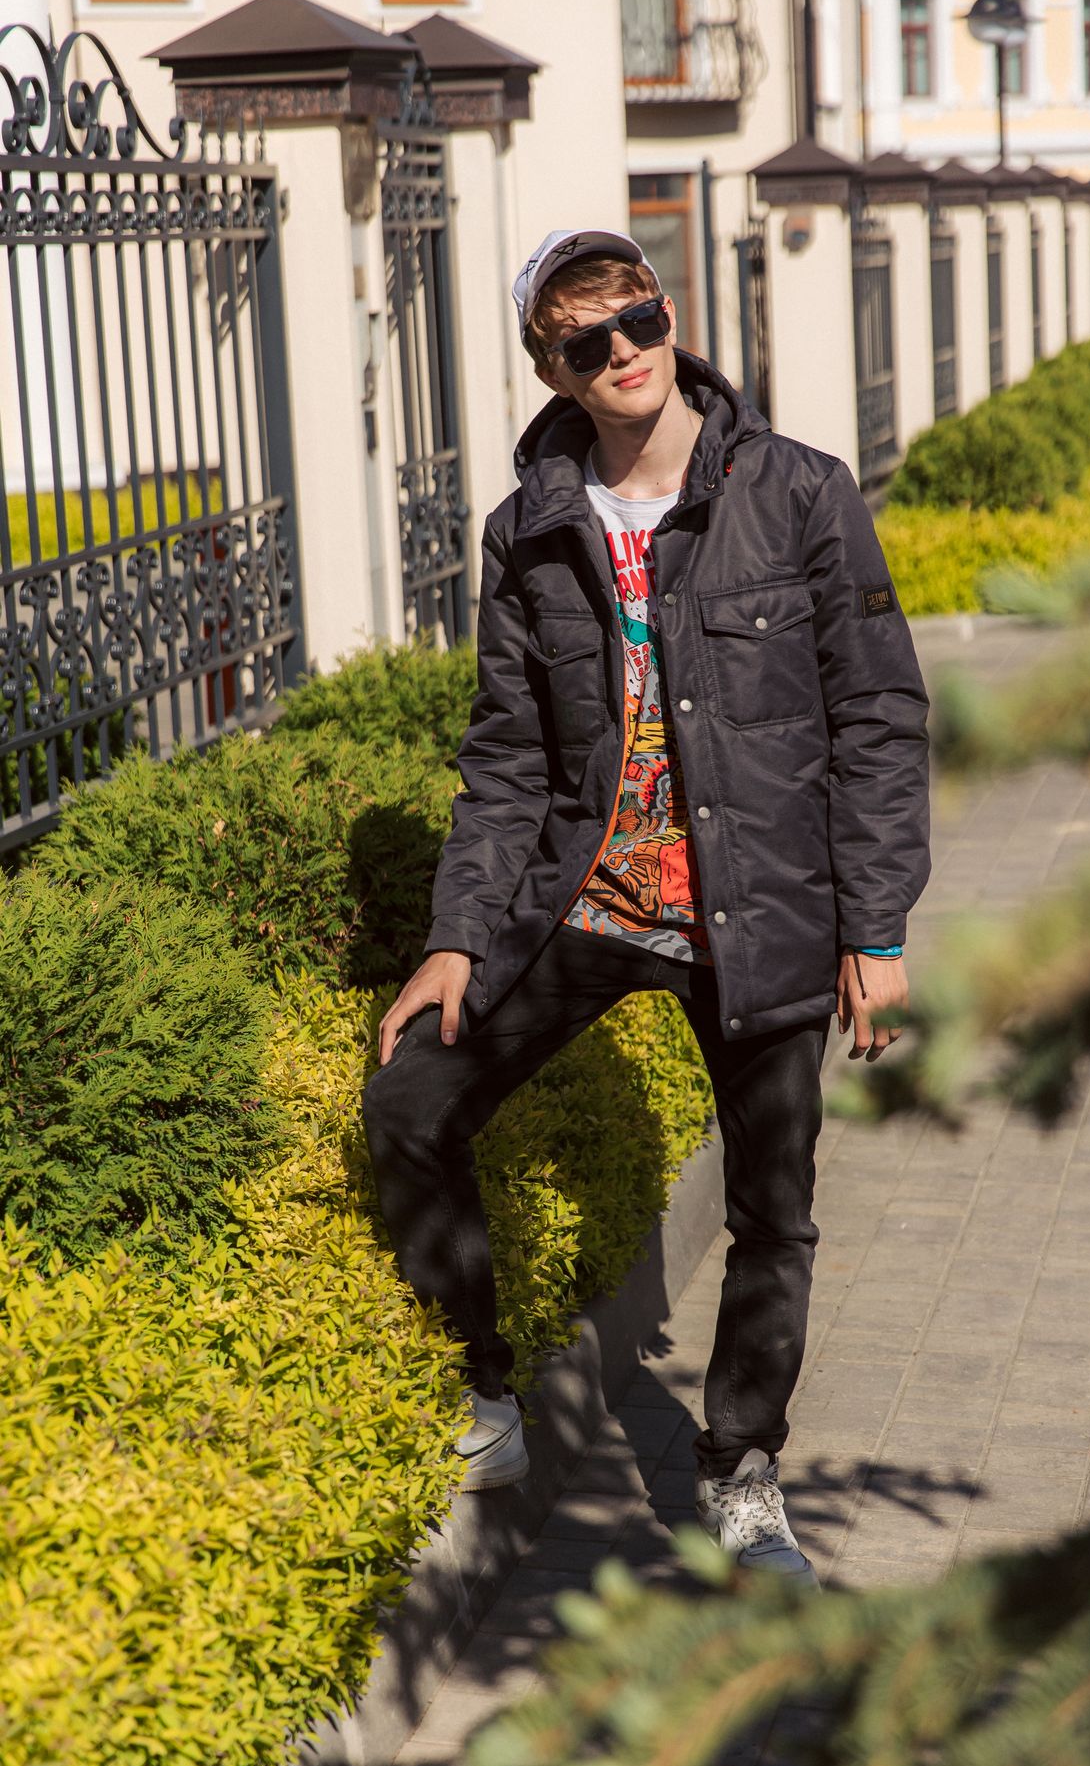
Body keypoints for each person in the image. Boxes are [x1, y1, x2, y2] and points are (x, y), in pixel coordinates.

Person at [362, 227, 930, 1580]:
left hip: (763, 907)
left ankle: (741, 1470)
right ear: (551, 370)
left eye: (639, 319)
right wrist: (456, 939)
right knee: (411, 1099)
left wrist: (875, 927)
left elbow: (877, 714)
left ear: (671, 319)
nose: (623, 351)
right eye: (586, 340)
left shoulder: (799, 491)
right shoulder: (528, 533)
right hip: (589, 899)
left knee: (774, 1205)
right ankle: (486, 1397)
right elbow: (509, 756)